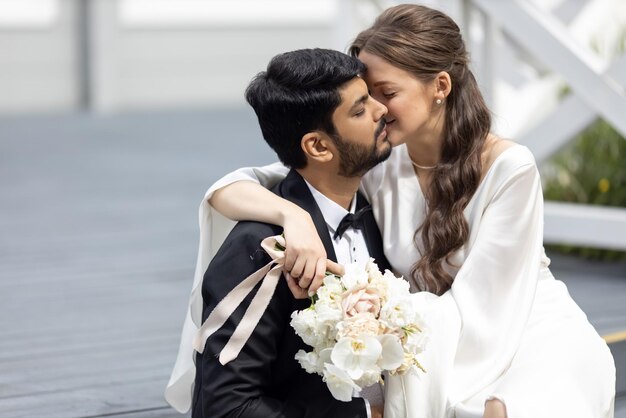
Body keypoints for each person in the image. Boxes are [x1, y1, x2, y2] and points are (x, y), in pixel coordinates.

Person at [168, 4, 616, 418]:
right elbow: (235, 186)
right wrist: (295, 218)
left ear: (440, 86)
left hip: (521, 328)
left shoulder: (508, 169)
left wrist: (372, 321)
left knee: (503, 409)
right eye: (367, 98)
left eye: (387, 92)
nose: (379, 110)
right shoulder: (380, 160)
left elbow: (484, 315)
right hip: (431, 340)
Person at [188, 48, 393, 418]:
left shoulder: (381, 209)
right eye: (360, 110)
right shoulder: (261, 249)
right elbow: (227, 406)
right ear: (317, 146)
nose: (382, 111)